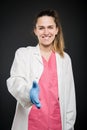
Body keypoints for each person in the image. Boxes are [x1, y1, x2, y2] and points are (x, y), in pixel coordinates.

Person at [6, 9, 76, 130]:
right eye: (41, 28)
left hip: (58, 124)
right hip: (32, 124)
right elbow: (14, 82)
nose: (46, 32)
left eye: (50, 27)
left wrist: (69, 126)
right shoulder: (23, 54)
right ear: (35, 31)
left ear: (56, 30)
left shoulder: (65, 59)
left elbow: (70, 98)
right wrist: (28, 93)